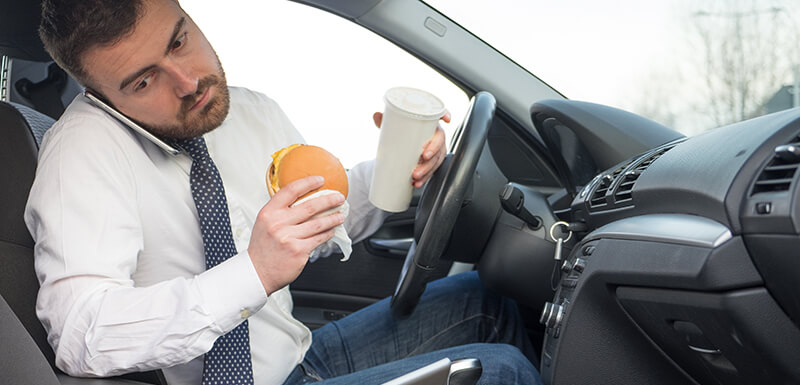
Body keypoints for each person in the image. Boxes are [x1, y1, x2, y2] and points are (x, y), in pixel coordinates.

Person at [25, 0, 543, 384]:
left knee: (490, 300)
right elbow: (79, 334)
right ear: (99, 93)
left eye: (179, 41)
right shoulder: (81, 154)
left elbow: (318, 220)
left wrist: (400, 169)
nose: (186, 82)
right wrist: (253, 272)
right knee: (503, 373)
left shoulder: (249, 111)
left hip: (297, 360)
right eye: (143, 82)